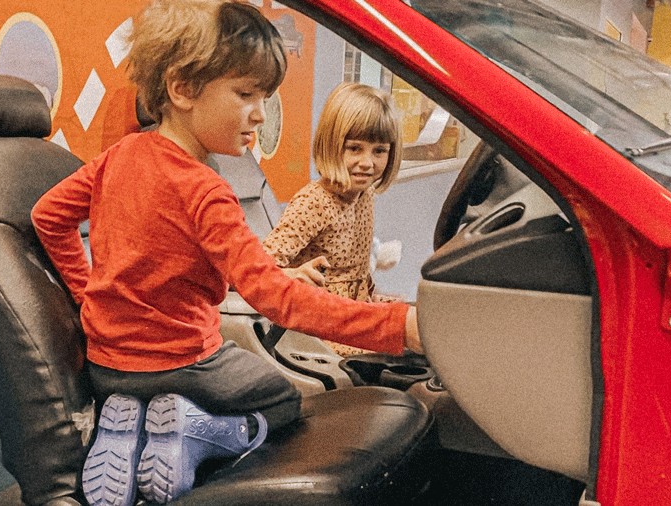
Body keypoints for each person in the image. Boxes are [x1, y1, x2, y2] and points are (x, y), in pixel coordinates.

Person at [31, 1, 420, 504]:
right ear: (183, 88)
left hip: (108, 366)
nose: (259, 112)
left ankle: (128, 427)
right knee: (282, 400)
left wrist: (87, 297)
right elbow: (276, 301)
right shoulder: (207, 190)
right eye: (246, 94)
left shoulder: (116, 159)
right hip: (186, 365)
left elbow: (48, 216)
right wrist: (397, 326)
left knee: (155, 391)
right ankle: (191, 432)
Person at [263, 82, 407, 357]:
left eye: (379, 151)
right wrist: (292, 277)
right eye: (355, 148)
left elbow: (356, 273)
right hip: (315, 330)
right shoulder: (314, 202)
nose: (368, 162)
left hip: (351, 316)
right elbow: (259, 271)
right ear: (332, 145)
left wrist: (373, 298)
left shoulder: (365, 196)